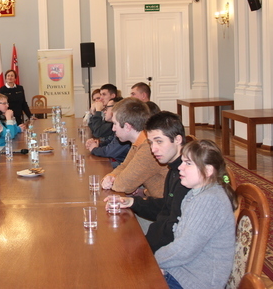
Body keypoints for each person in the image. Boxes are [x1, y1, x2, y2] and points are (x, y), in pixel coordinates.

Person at [155, 140, 238, 289]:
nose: (180, 167)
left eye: (188, 163)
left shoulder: (209, 200)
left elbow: (184, 249)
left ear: (208, 171)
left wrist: (154, 260)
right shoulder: (196, 193)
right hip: (184, 270)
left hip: (196, 281)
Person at [105, 111, 189, 253]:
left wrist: (145, 251)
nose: (153, 149)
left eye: (159, 141)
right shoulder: (174, 168)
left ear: (178, 140)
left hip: (173, 253)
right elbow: (165, 207)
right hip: (163, 239)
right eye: (150, 143)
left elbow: (177, 229)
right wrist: (132, 202)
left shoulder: (188, 177)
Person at [99, 98, 168, 196]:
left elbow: (124, 185)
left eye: (115, 124)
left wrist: (111, 182)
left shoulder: (148, 147)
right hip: (151, 199)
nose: (113, 128)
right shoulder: (139, 142)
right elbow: (124, 166)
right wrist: (111, 176)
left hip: (161, 207)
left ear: (127, 127)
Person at [86, 97, 131, 168]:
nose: (104, 111)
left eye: (107, 108)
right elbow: (109, 142)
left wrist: (94, 149)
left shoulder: (124, 130)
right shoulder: (117, 126)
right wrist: (97, 144)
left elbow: (109, 151)